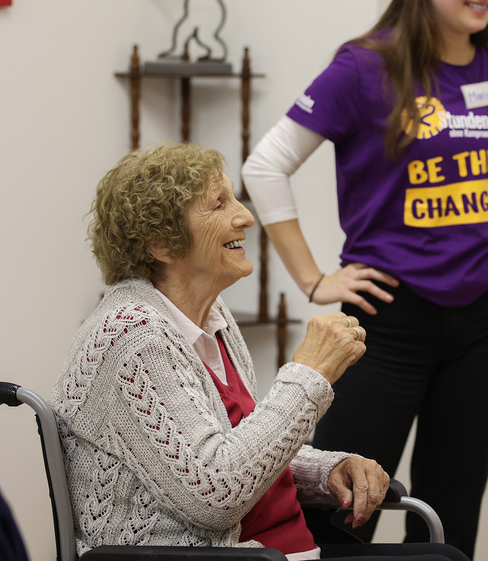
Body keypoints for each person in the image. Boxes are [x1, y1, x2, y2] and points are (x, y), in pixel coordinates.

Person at [242, 0, 488, 557]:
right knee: (344, 509)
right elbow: (265, 166)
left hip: (484, 326)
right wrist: (314, 280)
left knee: (451, 512)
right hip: (386, 325)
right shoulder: (365, 68)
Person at [51, 143, 467, 561]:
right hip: (236, 557)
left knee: (444, 557)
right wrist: (310, 372)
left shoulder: (212, 318)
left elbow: (240, 453)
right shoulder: (133, 336)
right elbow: (215, 493)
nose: (246, 216)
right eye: (219, 204)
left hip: (283, 550)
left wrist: (327, 470)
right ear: (163, 245)